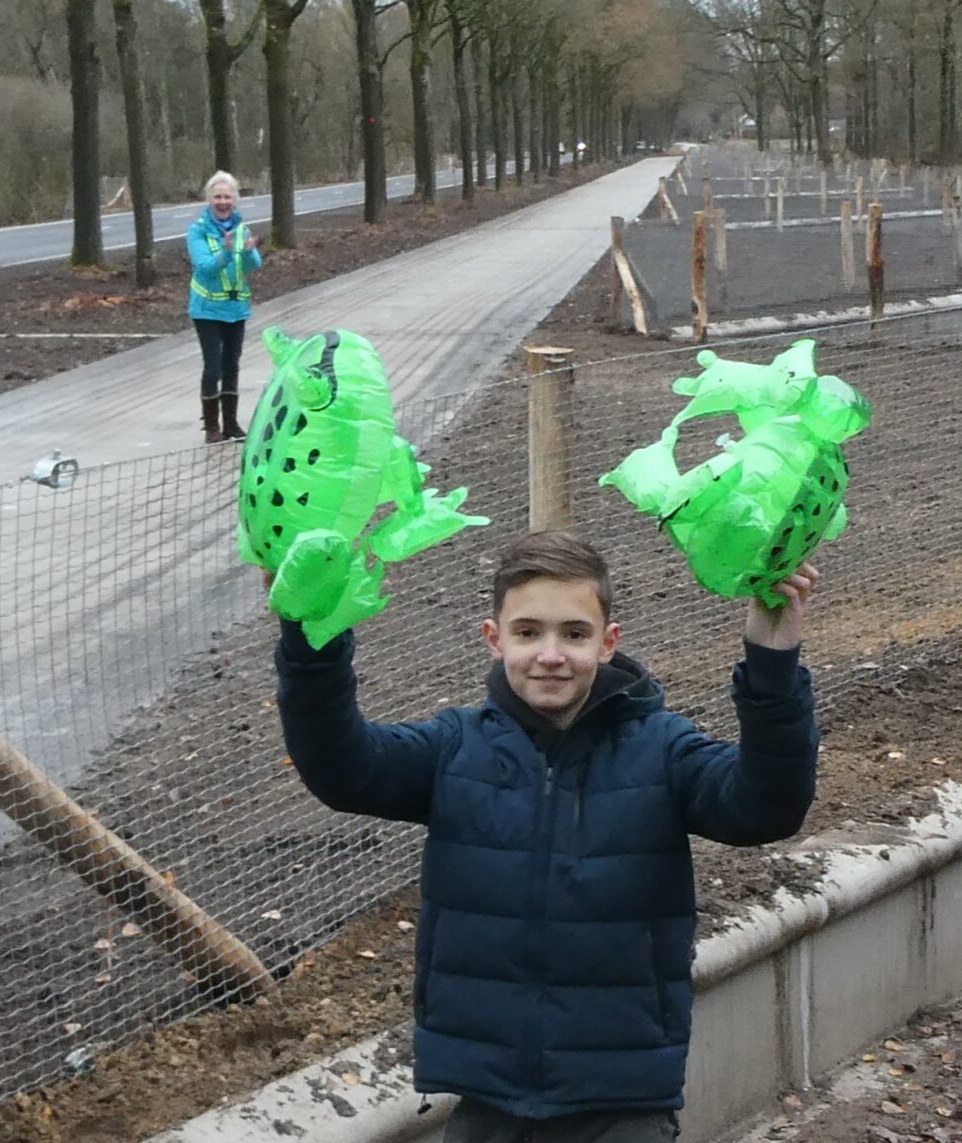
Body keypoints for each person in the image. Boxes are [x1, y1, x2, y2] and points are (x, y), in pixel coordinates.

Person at [273, 531, 821, 1143]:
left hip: (622, 1102)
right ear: (494, 637)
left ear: (608, 643)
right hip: (486, 1097)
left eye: (575, 634)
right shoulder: (454, 747)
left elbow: (765, 808)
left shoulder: (662, 750)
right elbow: (342, 768)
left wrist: (773, 663)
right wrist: (311, 643)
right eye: (528, 632)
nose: (551, 655)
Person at [188, 170, 264, 443]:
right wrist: (227, 252)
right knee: (214, 365)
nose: (223, 202)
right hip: (207, 310)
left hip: (236, 309)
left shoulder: (241, 228)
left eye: (227, 197)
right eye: (217, 197)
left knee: (232, 364)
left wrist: (246, 251)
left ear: (235, 199)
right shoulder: (198, 231)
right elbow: (205, 269)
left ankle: (231, 424)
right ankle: (211, 427)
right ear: (209, 200)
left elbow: (255, 265)